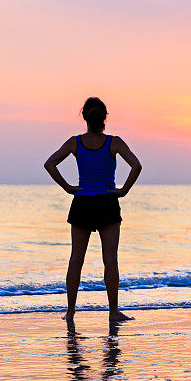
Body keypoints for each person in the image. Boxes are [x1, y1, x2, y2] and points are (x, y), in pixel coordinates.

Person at [44, 97, 142, 323]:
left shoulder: (75, 142)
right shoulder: (114, 142)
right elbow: (136, 165)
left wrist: (69, 188)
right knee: (110, 261)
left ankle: (70, 312)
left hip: (83, 203)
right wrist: (123, 190)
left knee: (75, 260)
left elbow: (49, 163)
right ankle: (113, 312)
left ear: (85, 117)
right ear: (104, 117)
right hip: (107, 202)